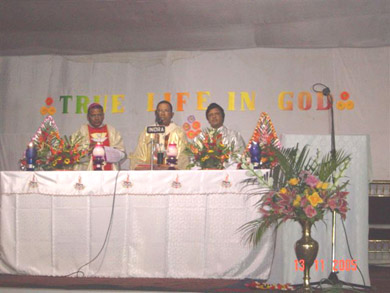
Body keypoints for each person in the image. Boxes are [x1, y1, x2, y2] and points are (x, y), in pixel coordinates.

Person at [130, 100, 189, 170]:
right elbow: (140, 154)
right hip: (151, 173)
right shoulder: (148, 131)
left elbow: (183, 156)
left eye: (166, 111)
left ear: (172, 114)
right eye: (160, 111)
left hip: (170, 173)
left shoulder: (178, 132)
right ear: (156, 113)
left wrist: (171, 167)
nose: (162, 114)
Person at [72, 103, 126, 170]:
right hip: (88, 174)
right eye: (93, 115)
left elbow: (122, 155)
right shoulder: (81, 132)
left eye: (99, 115)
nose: (97, 118)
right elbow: (73, 156)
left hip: (110, 175)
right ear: (88, 117)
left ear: (103, 116)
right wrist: (88, 151)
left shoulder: (112, 131)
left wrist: (105, 150)